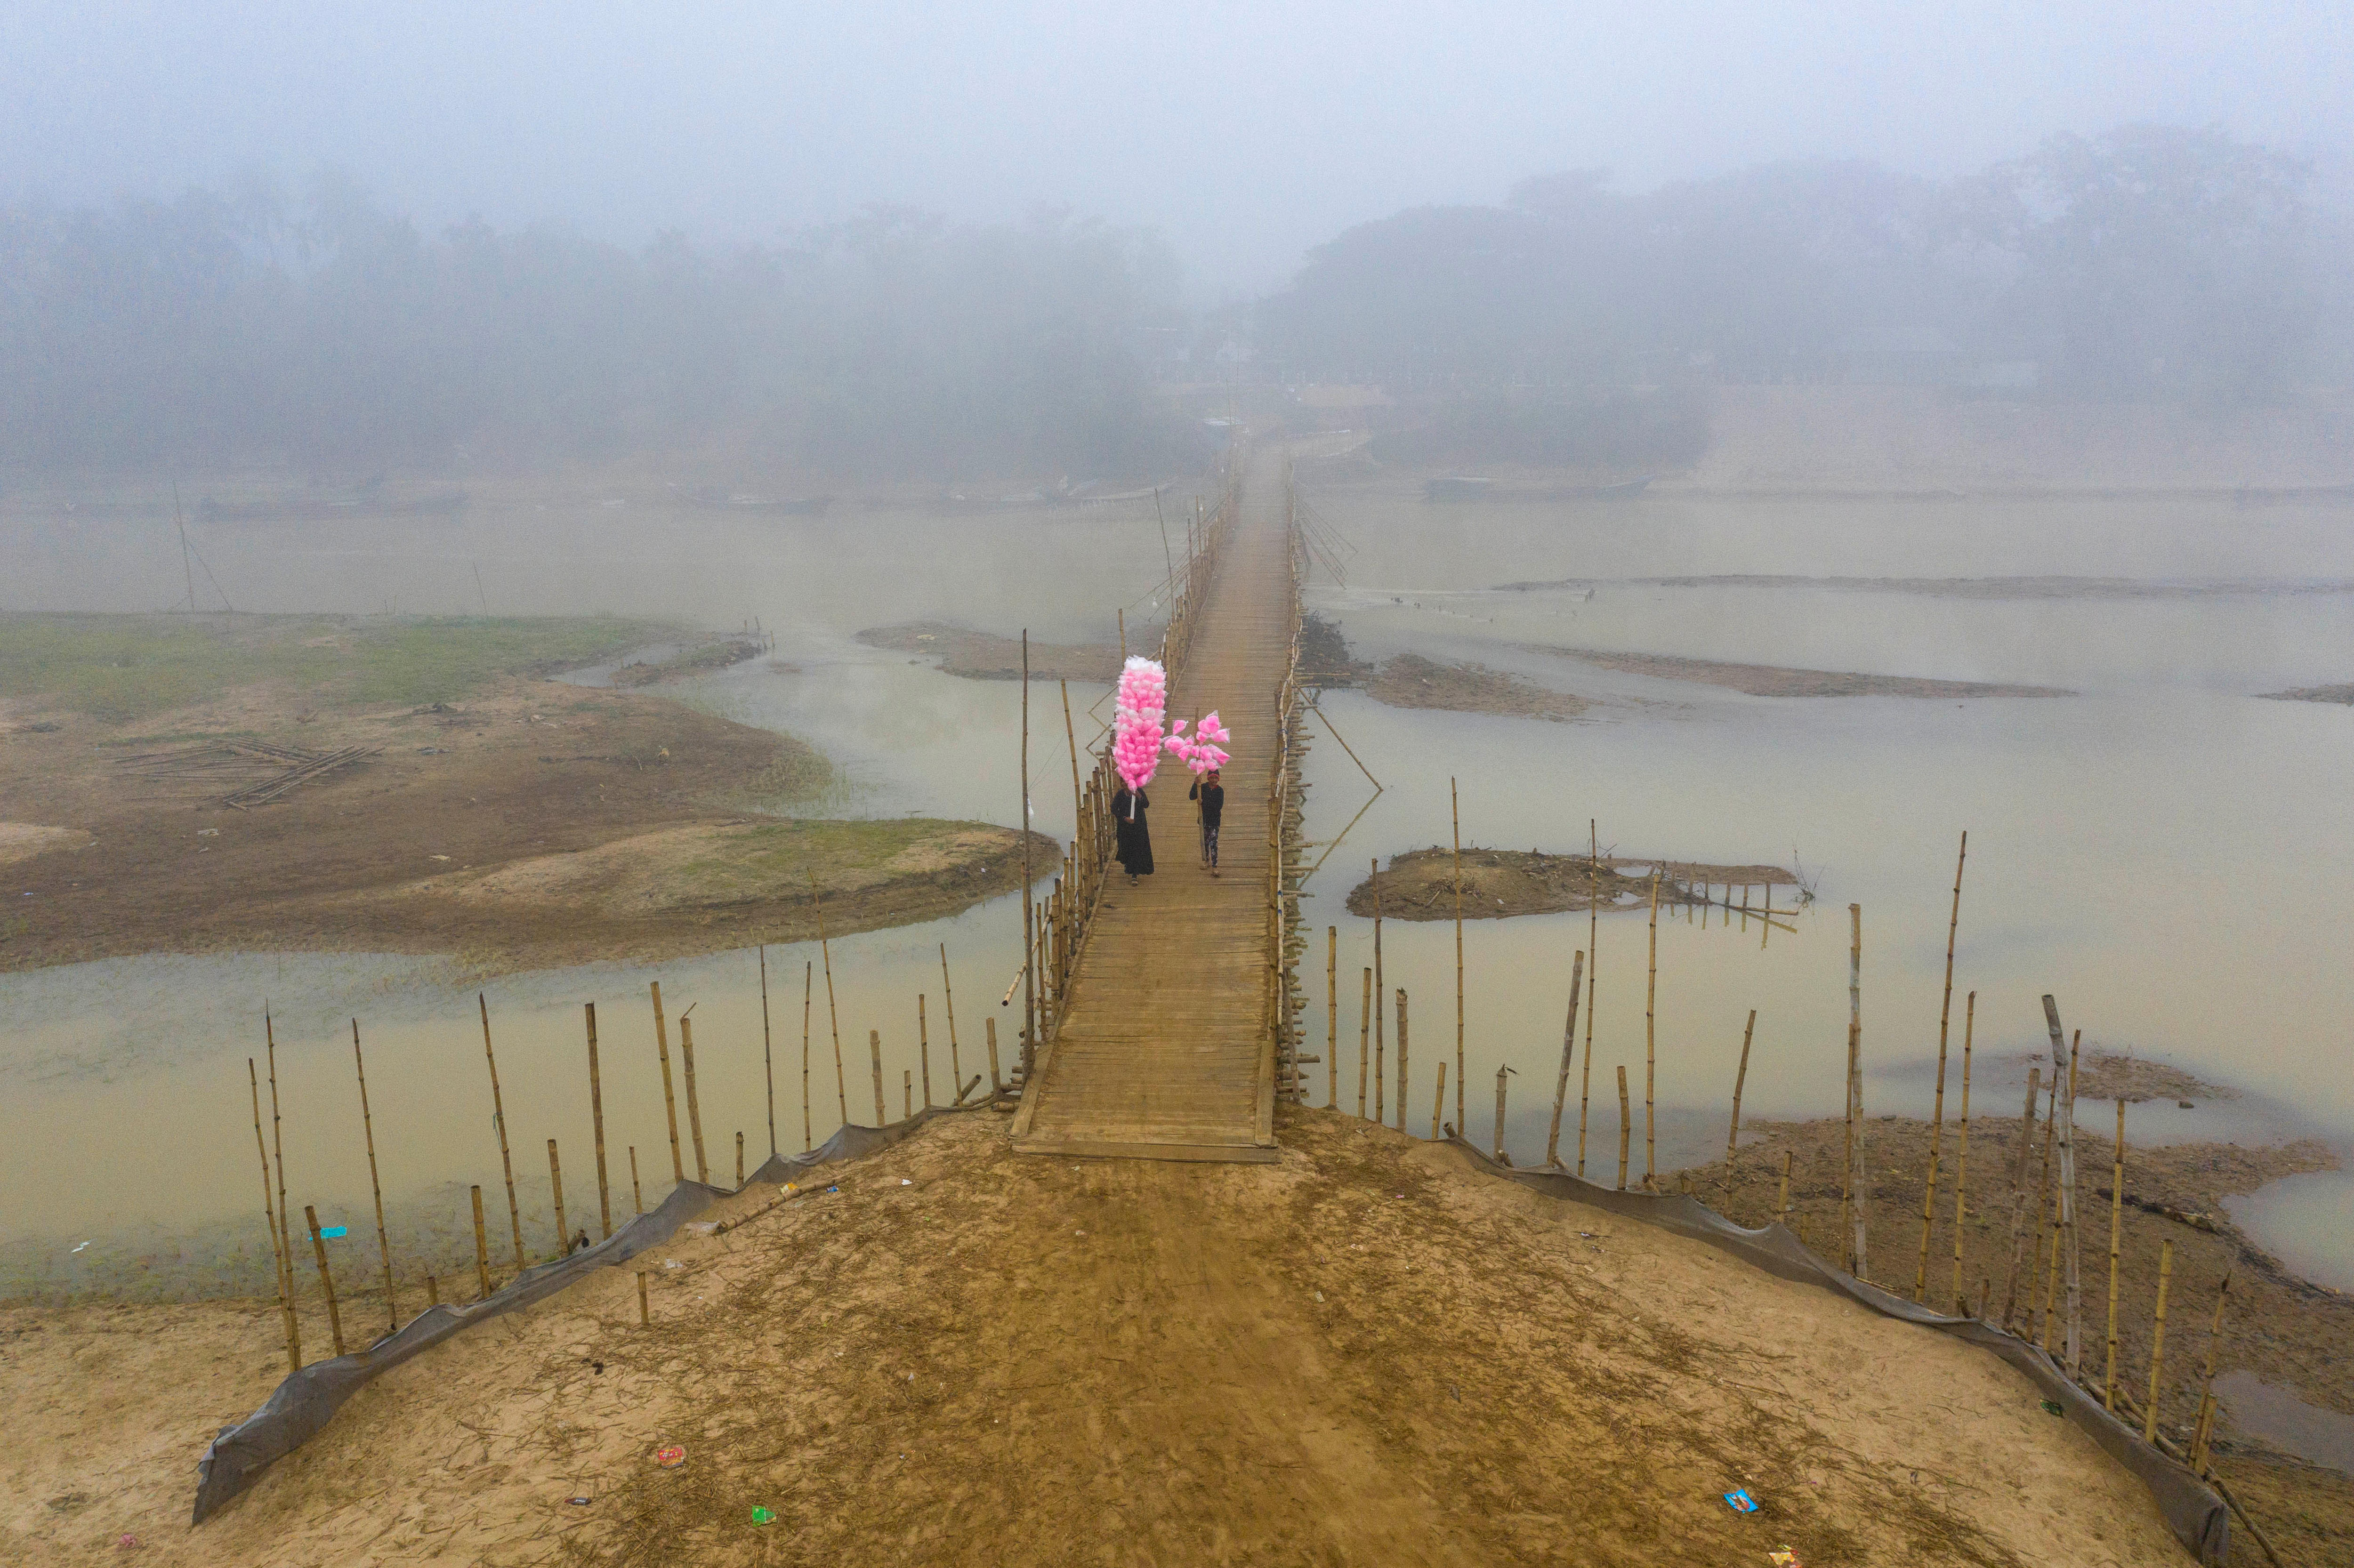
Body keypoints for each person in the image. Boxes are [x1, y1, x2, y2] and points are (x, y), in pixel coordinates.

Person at [1112, 780, 1153, 881]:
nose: (1124, 785)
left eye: (1126, 782)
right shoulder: (1120, 794)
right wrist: (1124, 818)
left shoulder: (1138, 791)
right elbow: (1114, 809)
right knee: (1127, 847)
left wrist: (1139, 796)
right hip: (1125, 828)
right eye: (1122, 782)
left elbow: (1146, 804)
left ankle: (1134, 874)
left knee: (1137, 848)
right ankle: (1130, 866)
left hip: (1139, 826)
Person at [1189, 767, 1225, 876]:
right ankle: (1206, 860)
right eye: (1212, 778)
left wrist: (1203, 803)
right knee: (1205, 841)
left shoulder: (1220, 791)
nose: (1214, 780)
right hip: (1203, 819)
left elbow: (1219, 806)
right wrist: (1195, 784)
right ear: (1208, 778)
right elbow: (1192, 797)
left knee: (1214, 843)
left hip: (1214, 820)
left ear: (1218, 780)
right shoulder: (1203, 787)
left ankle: (1215, 866)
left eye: (1215, 778)